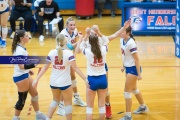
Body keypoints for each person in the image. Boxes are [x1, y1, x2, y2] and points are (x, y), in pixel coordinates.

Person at [32, 34, 88, 120]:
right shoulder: (68, 53)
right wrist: (85, 78)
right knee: (68, 104)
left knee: (55, 100)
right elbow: (75, 68)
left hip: (53, 82)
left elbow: (45, 67)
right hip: (65, 83)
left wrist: (37, 79)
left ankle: (48, 119)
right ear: (65, 42)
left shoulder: (51, 52)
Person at [11, 30, 46, 120]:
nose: (29, 37)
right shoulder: (19, 50)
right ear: (22, 38)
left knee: (35, 94)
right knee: (22, 99)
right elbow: (21, 66)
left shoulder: (22, 47)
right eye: (27, 36)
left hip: (25, 74)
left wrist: (29, 69)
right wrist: (33, 65)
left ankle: (38, 114)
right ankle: (16, 117)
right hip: (20, 77)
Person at [56, 17, 87, 116]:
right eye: (71, 25)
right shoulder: (63, 34)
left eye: (74, 25)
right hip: (61, 57)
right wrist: (82, 40)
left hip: (69, 56)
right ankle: (60, 106)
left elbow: (75, 44)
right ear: (66, 26)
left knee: (73, 77)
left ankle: (76, 98)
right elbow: (70, 46)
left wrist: (84, 37)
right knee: (65, 81)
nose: (73, 27)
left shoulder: (75, 31)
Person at [78, 26, 109, 120]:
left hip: (92, 80)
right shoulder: (103, 49)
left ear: (90, 42)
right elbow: (106, 40)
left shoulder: (87, 51)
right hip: (103, 79)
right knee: (102, 106)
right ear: (98, 41)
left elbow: (81, 46)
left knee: (89, 108)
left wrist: (86, 35)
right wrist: (98, 32)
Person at [119, 26, 149, 120]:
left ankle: (128, 115)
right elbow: (124, 54)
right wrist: (123, 65)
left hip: (133, 69)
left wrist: (139, 74)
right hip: (128, 67)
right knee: (134, 90)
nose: (121, 33)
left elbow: (136, 59)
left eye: (123, 32)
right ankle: (143, 107)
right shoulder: (122, 40)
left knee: (127, 92)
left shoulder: (131, 43)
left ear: (128, 33)